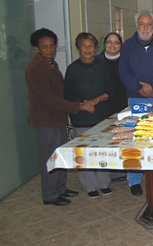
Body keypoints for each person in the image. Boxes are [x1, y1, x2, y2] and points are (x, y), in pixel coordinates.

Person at [25, 28, 91, 206]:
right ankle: (50, 195)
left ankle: (60, 188)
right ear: (36, 48)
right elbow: (48, 98)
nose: (49, 49)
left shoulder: (50, 64)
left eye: (52, 46)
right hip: (46, 120)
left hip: (58, 118)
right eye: (45, 46)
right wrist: (77, 106)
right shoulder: (36, 68)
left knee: (59, 155)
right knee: (49, 157)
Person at [120, 10, 153, 196]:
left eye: (149, 24)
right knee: (137, 139)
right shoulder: (127, 46)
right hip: (137, 99)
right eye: (142, 24)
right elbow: (124, 71)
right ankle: (134, 179)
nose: (145, 28)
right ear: (137, 26)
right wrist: (140, 88)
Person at [64, 33, 117, 198]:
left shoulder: (102, 66)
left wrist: (95, 101)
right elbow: (67, 94)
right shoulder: (72, 69)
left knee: (102, 151)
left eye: (91, 46)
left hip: (101, 116)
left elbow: (111, 90)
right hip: (81, 118)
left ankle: (103, 183)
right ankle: (90, 186)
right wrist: (84, 105)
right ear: (78, 49)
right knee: (84, 152)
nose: (87, 49)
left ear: (95, 48)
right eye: (84, 46)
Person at [95, 32, 128, 182]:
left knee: (120, 138)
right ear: (104, 44)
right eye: (109, 42)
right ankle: (105, 173)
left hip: (122, 102)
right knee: (104, 140)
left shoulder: (126, 60)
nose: (112, 45)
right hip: (102, 105)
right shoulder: (97, 61)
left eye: (116, 42)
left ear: (121, 45)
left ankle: (119, 172)